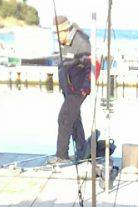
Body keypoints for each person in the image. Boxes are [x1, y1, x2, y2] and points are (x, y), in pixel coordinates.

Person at [52, 15, 94, 163]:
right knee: (74, 118)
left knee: (63, 118)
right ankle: (82, 149)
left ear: (66, 30)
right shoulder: (63, 42)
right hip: (68, 87)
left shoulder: (81, 41)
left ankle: (61, 155)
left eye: (58, 34)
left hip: (78, 88)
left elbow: (89, 67)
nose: (57, 37)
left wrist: (85, 87)